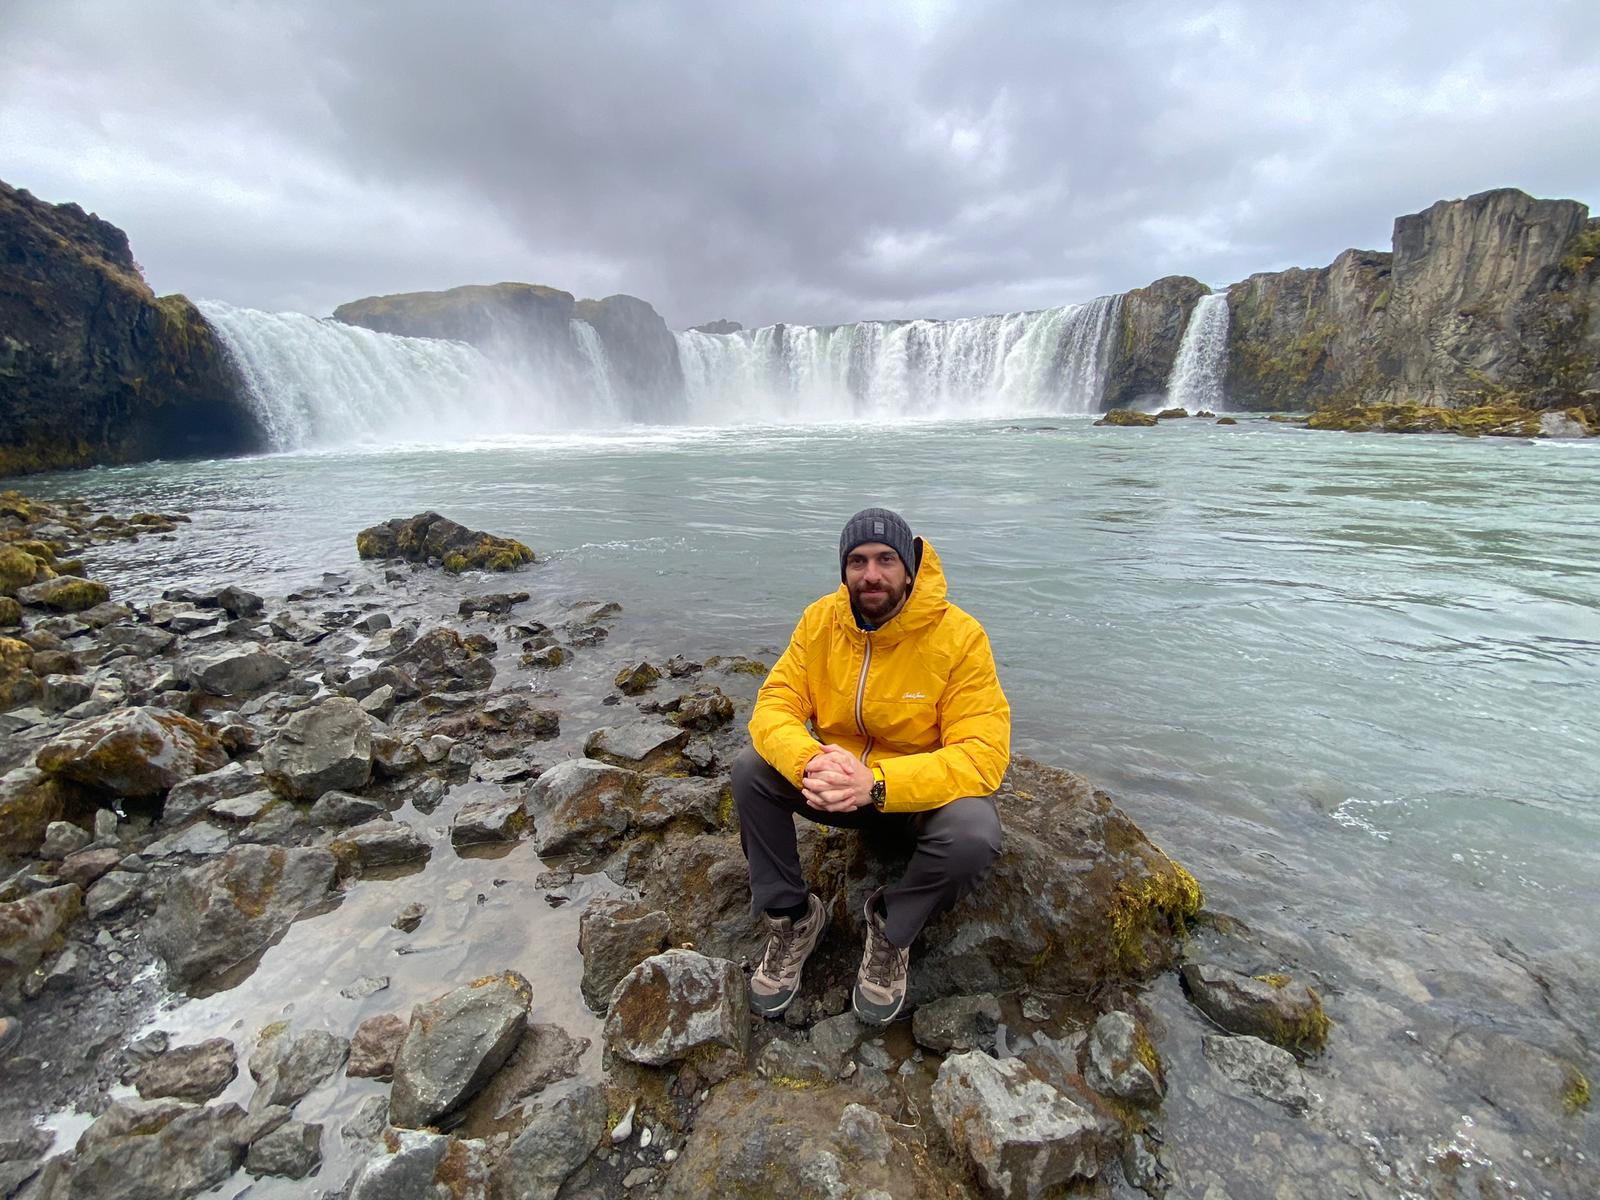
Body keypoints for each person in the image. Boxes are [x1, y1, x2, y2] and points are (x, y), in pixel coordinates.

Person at [733, 507, 1010, 1025]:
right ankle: (793, 918)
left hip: (910, 803)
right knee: (751, 770)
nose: (872, 574)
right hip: (836, 787)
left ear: (910, 568)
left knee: (974, 832)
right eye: (857, 561)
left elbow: (982, 752)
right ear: (844, 570)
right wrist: (811, 761)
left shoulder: (960, 637)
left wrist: (878, 784)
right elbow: (775, 705)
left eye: (886, 559)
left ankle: (891, 928)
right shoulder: (821, 622)